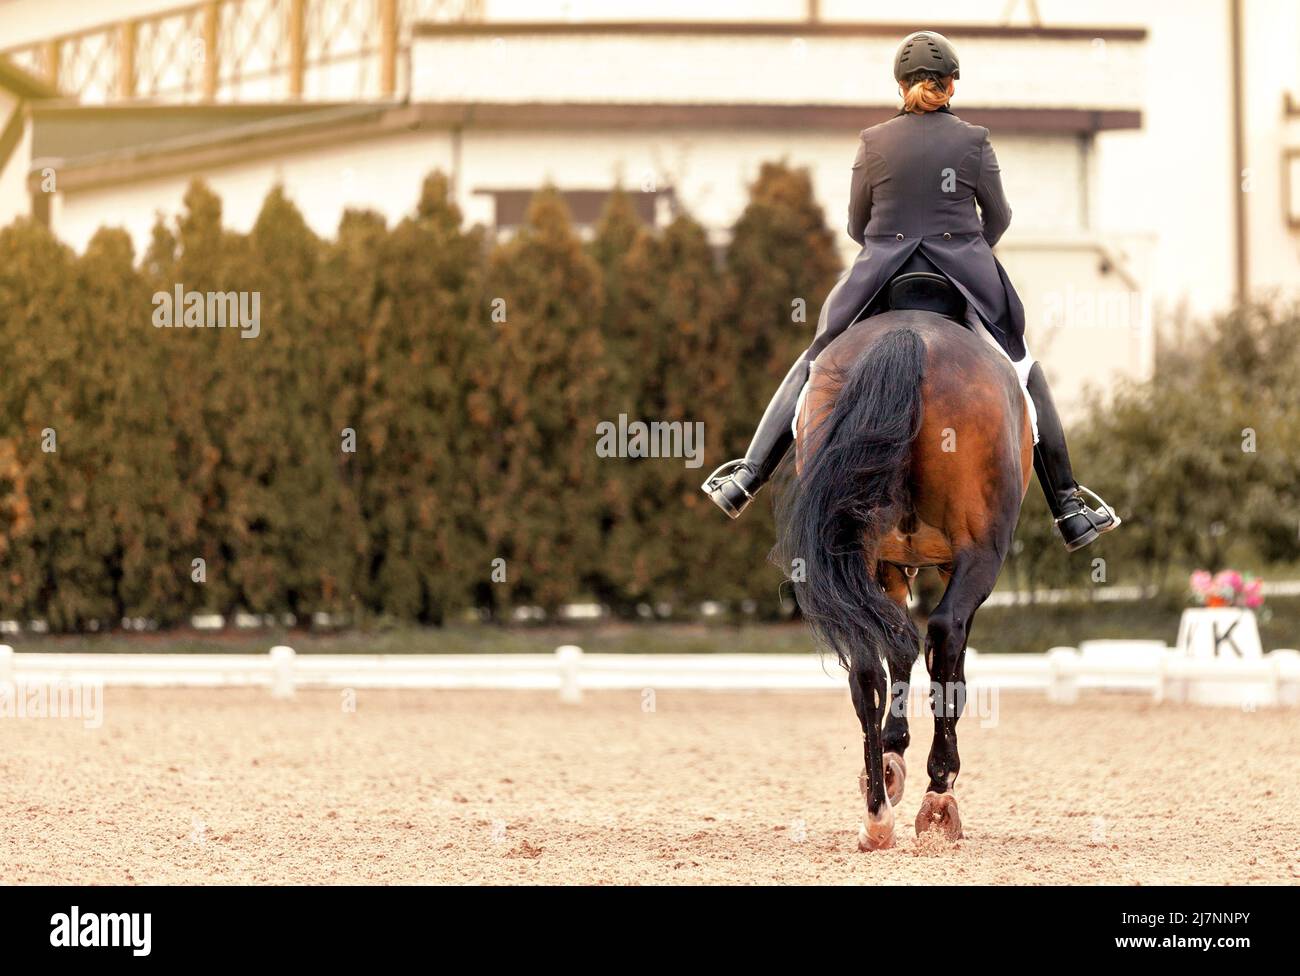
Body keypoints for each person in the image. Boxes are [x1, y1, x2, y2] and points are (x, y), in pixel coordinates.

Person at [701, 30, 1120, 552]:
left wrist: (887, 248)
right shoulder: (974, 140)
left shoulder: (873, 141)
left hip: (883, 278)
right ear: (952, 84)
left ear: (901, 86)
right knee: (1021, 367)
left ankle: (746, 476)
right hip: (961, 277)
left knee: (816, 363)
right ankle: (1069, 508)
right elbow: (1001, 216)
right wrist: (967, 248)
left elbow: (857, 222)